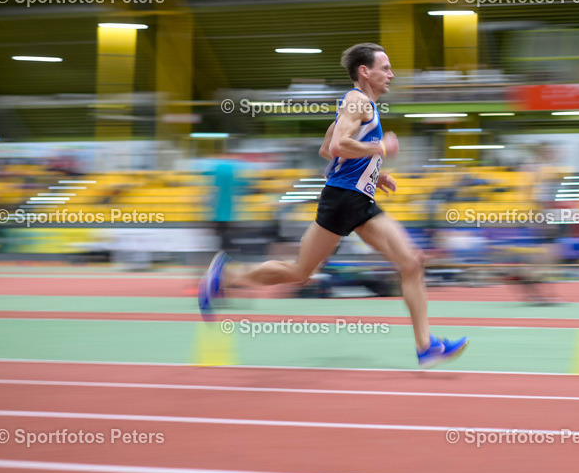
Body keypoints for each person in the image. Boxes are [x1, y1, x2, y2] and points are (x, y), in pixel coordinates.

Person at [198, 43, 468, 368]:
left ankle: (426, 346)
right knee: (301, 271)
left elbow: (328, 150)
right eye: (385, 68)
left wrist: (373, 174)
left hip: (354, 198)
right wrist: (381, 147)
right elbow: (339, 144)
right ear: (365, 72)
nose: (391, 74)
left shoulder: (358, 105)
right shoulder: (357, 101)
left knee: (409, 262)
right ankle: (227, 275)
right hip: (343, 200)